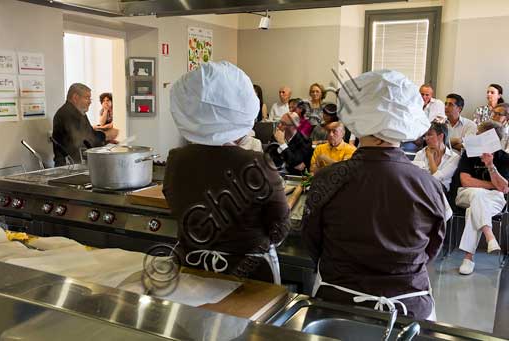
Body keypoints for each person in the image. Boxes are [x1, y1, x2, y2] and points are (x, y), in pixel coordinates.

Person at [302, 70, 450, 320]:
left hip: (337, 309)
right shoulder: (428, 184)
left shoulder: (327, 179)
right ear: (408, 119)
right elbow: (432, 246)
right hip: (409, 311)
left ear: (355, 119)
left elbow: (312, 240)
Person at [164, 61, 290, 283]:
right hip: (248, 278)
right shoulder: (258, 164)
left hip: (191, 271)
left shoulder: (176, 159)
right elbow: (279, 229)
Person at [456, 121, 509, 275]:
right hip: (467, 193)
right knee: (478, 195)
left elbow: (504, 188)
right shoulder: (468, 153)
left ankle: (468, 258)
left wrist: (491, 166)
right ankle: (489, 235)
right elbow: (465, 181)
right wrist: (493, 185)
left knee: (475, 208)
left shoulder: (504, 157)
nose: (477, 136)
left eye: (480, 134)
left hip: (494, 199)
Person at [52, 83, 119, 166]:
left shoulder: (79, 112)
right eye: (87, 98)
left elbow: (90, 133)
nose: (90, 102)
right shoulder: (67, 114)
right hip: (69, 166)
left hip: (77, 164)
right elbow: (85, 139)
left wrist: (105, 141)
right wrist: (107, 135)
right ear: (75, 97)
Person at [413, 122, 460, 192]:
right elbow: (414, 175)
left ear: (441, 136)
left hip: (441, 191)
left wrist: (430, 157)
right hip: (421, 188)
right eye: (425, 135)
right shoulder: (420, 154)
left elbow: (437, 178)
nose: (426, 138)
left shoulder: (454, 158)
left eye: (430, 135)